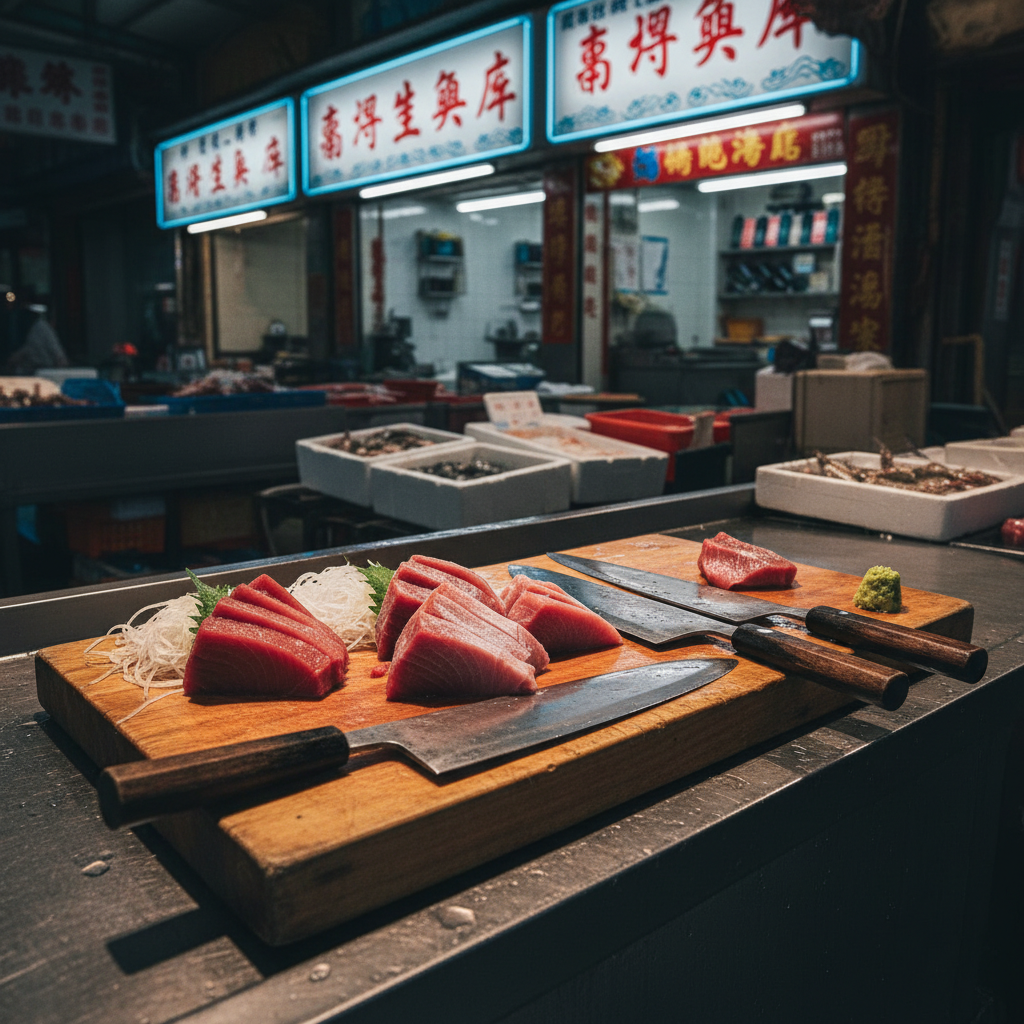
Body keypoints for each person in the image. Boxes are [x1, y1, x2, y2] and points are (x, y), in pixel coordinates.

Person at [5, 303, 70, 373]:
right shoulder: (38, 328)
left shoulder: (42, 328)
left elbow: (59, 357)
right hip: (34, 371)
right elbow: (28, 350)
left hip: (45, 371)